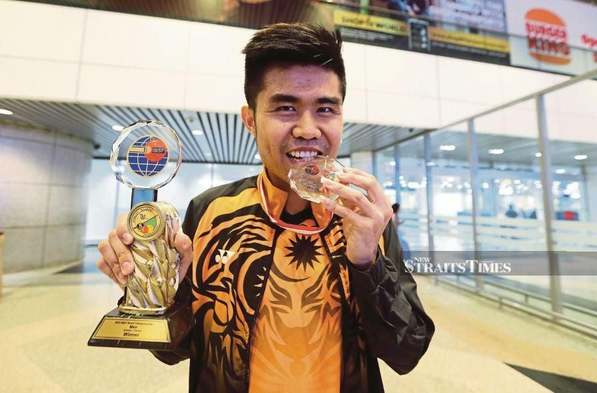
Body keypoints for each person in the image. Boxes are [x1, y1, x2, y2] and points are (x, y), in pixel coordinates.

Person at [97, 23, 434, 393]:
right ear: (250, 121)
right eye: (286, 107)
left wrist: (368, 266)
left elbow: (408, 353)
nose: (308, 129)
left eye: (325, 109)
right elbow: (175, 351)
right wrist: (153, 288)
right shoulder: (210, 212)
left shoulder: (366, 220)